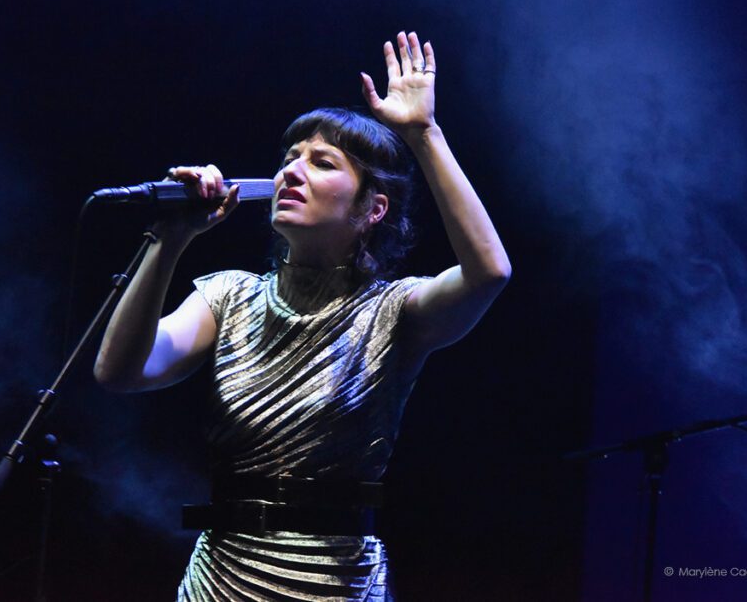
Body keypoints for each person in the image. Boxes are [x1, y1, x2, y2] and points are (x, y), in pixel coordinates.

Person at [94, 31, 511, 601]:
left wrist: (423, 134)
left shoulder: (394, 312)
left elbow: (489, 271)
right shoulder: (228, 296)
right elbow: (120, 371)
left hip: (336, 583)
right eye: (290, 159)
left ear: (373, 208)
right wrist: (168, 242)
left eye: (322, 163)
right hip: (221, 579)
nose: (292, 173)